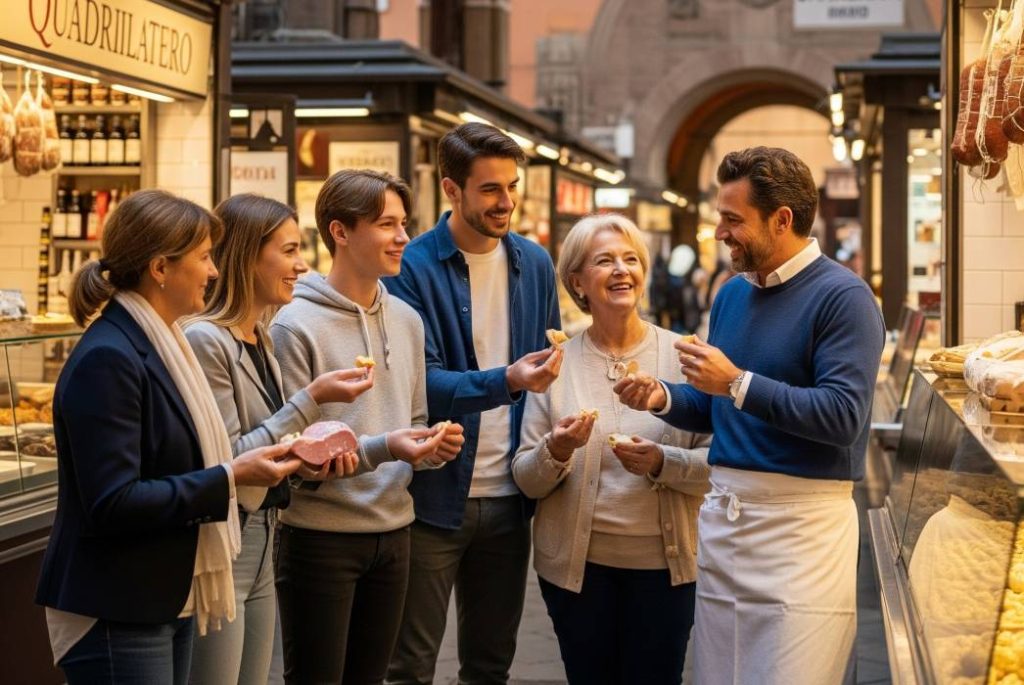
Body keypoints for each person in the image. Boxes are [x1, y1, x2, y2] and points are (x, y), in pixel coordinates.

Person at [615, 147, 885, 685]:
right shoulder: (732, 294)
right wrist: (663, 397)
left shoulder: (845, 298)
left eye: (733, 219)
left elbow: (843, 416)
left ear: (782, 219)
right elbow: (723, 408)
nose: (719, 232)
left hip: (801, 534)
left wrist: (736, 382)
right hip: (724, 524)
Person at [35, 189, 301, 684]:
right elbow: (113, 502)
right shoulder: (109, 357)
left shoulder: (164, 346)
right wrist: (230, 476)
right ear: (161, 268)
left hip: (162, 596)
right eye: (203, 257)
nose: (214, 271)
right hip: (117, 607)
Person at [384, 122, 562, 685]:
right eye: (490, 189)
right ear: (451, 190)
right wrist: (506, 380)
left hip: (510, 496)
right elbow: (418, 382)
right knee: (408, 666)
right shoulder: (410, 266)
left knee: (490, 666)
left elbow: (550, 363)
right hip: (432, 498)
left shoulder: (534, 263)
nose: (506, 201)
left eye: (512, 186)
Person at [270, 169, 464, 684]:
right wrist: (388, 446)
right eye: (386, 224)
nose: (403, 237)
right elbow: (289, 456)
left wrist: (428, 444)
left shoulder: (406, 318)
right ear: (340, 231)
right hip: (320, 537)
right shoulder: (293, 324)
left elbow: (414, 419)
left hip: (397, 531)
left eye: (404, 223)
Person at [184, 194, 376, 684]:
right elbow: (227, 461)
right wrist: (312, 397)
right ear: (248, 255)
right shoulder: (208, 340)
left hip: (268, 531)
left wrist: (308, 459)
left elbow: (271, 448)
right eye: (289, 251)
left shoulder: (262, 339)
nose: (301, 265)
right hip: (224, 543)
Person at [511, 214, 711, 684]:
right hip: (578, 574)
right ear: (577, 281)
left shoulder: (684, 357)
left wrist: (664, 462)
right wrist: (556, 450)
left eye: (631, 260)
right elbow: (525, 477)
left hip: (666, 571)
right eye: (605, 261)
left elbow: (718, 465)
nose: (622, 270)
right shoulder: (556, 364)